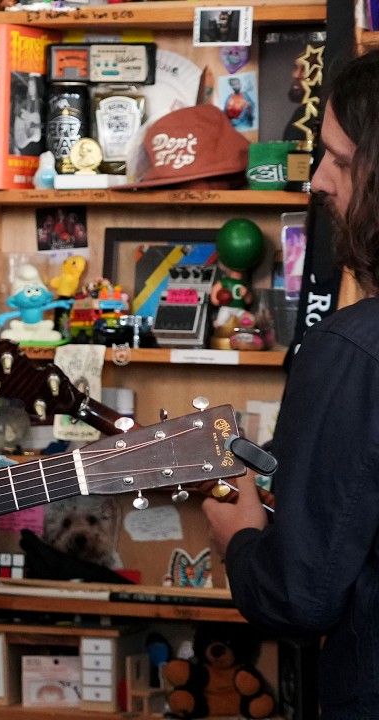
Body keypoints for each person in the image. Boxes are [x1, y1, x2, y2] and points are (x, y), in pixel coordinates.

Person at [204, 48, 379, 717]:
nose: (321, 182)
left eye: (339, 158)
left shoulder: (354, 350)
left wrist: (239, 530)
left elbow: (299, 596)